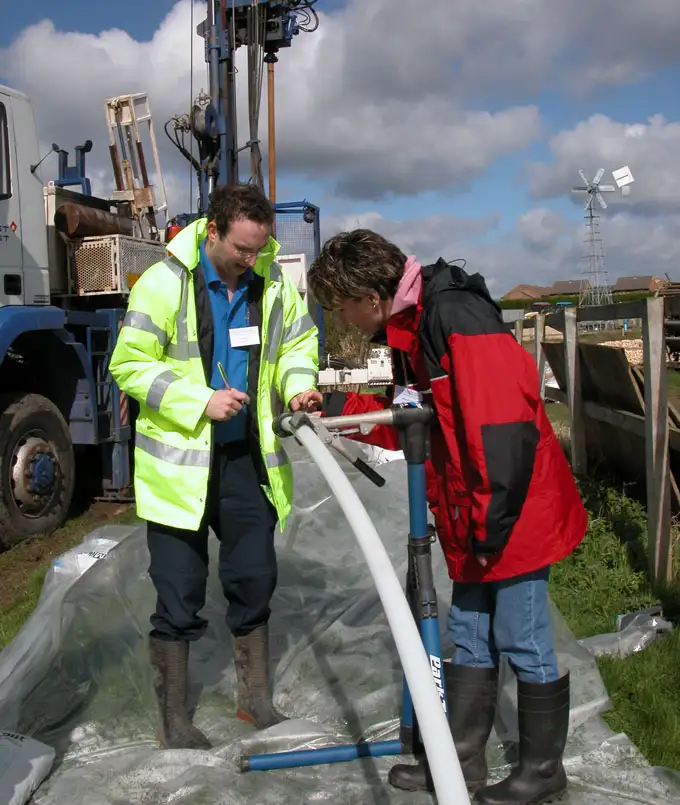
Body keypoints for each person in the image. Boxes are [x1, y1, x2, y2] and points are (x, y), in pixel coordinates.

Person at [307, 229, 588, 805]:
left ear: (369, 293)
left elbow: (502, 427)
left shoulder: (455, 316)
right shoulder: (413, 327)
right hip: (474, 506)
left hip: (510, 509)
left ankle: (543, 773)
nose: (347, 321)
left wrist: (488, 525)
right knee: (468, 634)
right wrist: (344, 418)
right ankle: (461, 764)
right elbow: (423, 417)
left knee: (521, 635)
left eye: (343, 308)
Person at [109, 183, 322, 750]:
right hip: (180, 467)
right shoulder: (162, 283)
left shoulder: (272, 282)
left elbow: (298, 345)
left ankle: (255, 701)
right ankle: (175, 720)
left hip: (244, 461)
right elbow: (128, 365)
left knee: (254, 577)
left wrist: (299, 390)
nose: (252, 260)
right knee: (178, 592)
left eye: (260, 248)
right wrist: (198, 401)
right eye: (242, 250)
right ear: (213, 231)